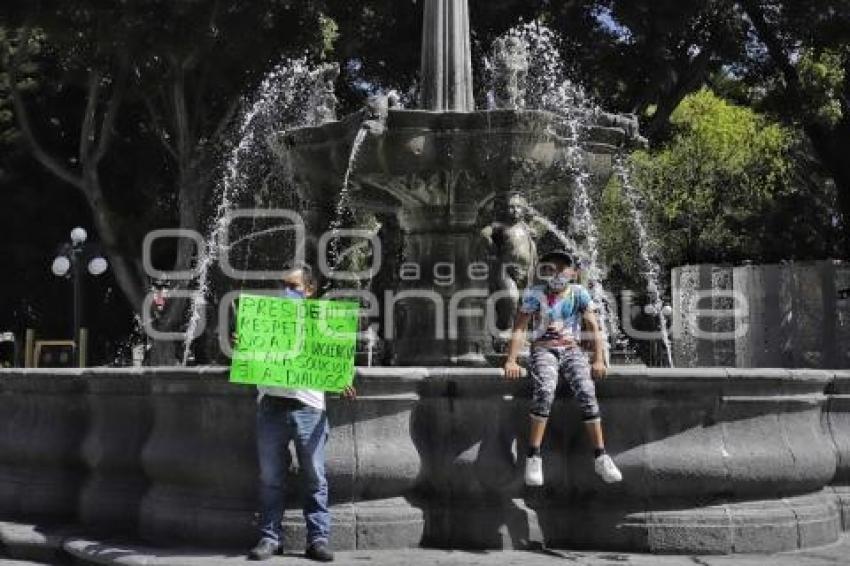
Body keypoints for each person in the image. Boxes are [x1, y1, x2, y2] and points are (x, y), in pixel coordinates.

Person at [246, 265, 355, 561]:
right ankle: (270, 538)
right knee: (270, 478)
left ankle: (318, 540)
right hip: (271, 405)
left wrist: (342, 377)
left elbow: (335, 362)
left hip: (309, 409)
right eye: (283, 285)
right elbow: (250, 355)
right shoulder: (265, 320)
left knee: (315, 477)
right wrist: (241, 346)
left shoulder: (324, 324)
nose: (286, 291)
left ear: (310, 289)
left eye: (293, 286)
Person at [503, 249, 622, 486]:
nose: (556, 273)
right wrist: (511, 360)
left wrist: (598, 359)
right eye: (550, 268)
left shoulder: (579, 293)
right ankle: (533, 455)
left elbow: (593, 327)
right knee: (545, 390)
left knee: (587, 391)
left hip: (572, 350)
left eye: (562, 268)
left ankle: (600, 456)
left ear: (573, 273)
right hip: (544, 349)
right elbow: (520, 328)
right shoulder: (535, 294)